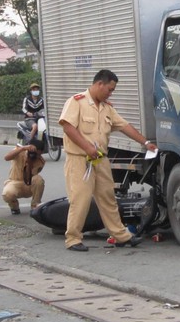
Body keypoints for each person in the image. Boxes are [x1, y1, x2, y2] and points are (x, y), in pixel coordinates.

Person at [59, 69, 158, 252]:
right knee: (80, 199)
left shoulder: (106, 108)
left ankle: (120, 235)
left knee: (108, 198)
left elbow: (124, 126)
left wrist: (145, 142)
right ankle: (73, 238)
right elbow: (67, 127)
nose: (110, 93)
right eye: (109, 89)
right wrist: (87, 147)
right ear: (99, 84)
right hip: (80, 160)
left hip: (100, 160)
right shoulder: (77, 102)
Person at [1, 137, 46, 215]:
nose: (34, 154)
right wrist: (23, 148)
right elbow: (6, 158)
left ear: (41, 152)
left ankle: (35, 205)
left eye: (36, 153)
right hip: (15, 182)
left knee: (38, 180)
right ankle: (14, 207)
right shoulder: (19, 151)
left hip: (28, 185)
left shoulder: (40, 161)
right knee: (7, 194)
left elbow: (29, 177)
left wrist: (30, 162)